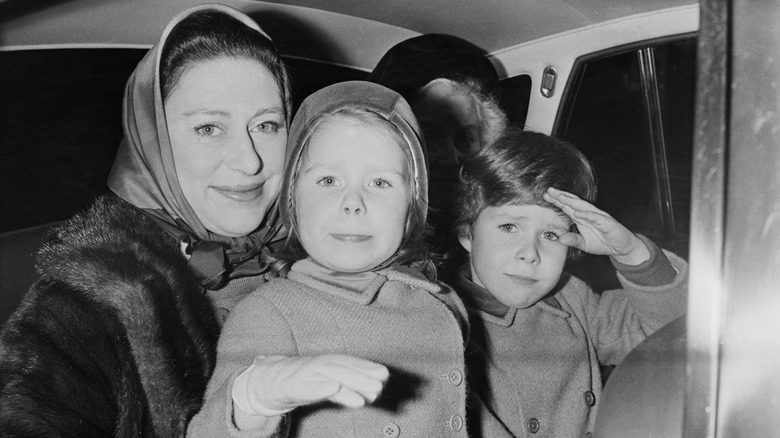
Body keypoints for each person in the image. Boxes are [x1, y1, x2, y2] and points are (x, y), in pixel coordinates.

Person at [0, 5, 291, 437]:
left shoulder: (324, 259)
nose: (248, 161)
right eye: (209, 128)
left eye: (267, 124)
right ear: (152, 140)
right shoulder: (82, 309)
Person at [187, 81, 471, 437]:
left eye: (380, 183)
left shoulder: (437, 298)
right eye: (328, 180)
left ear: (413, 206)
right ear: (293, 200)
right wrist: (253, 399)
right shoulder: (271, 313)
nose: (353, 202)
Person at [452, 128, 688, 437]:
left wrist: (631, 252)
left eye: (551, 234)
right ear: (467, 234)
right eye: (509, 226)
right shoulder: (443, 321)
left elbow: (669, 333)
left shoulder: (573, 301)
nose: (530, 254)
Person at [368, 33, 508, 280]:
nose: (452, 158)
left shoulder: (490, 224)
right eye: (430, 136)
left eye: (465, 139)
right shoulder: (361, 222)